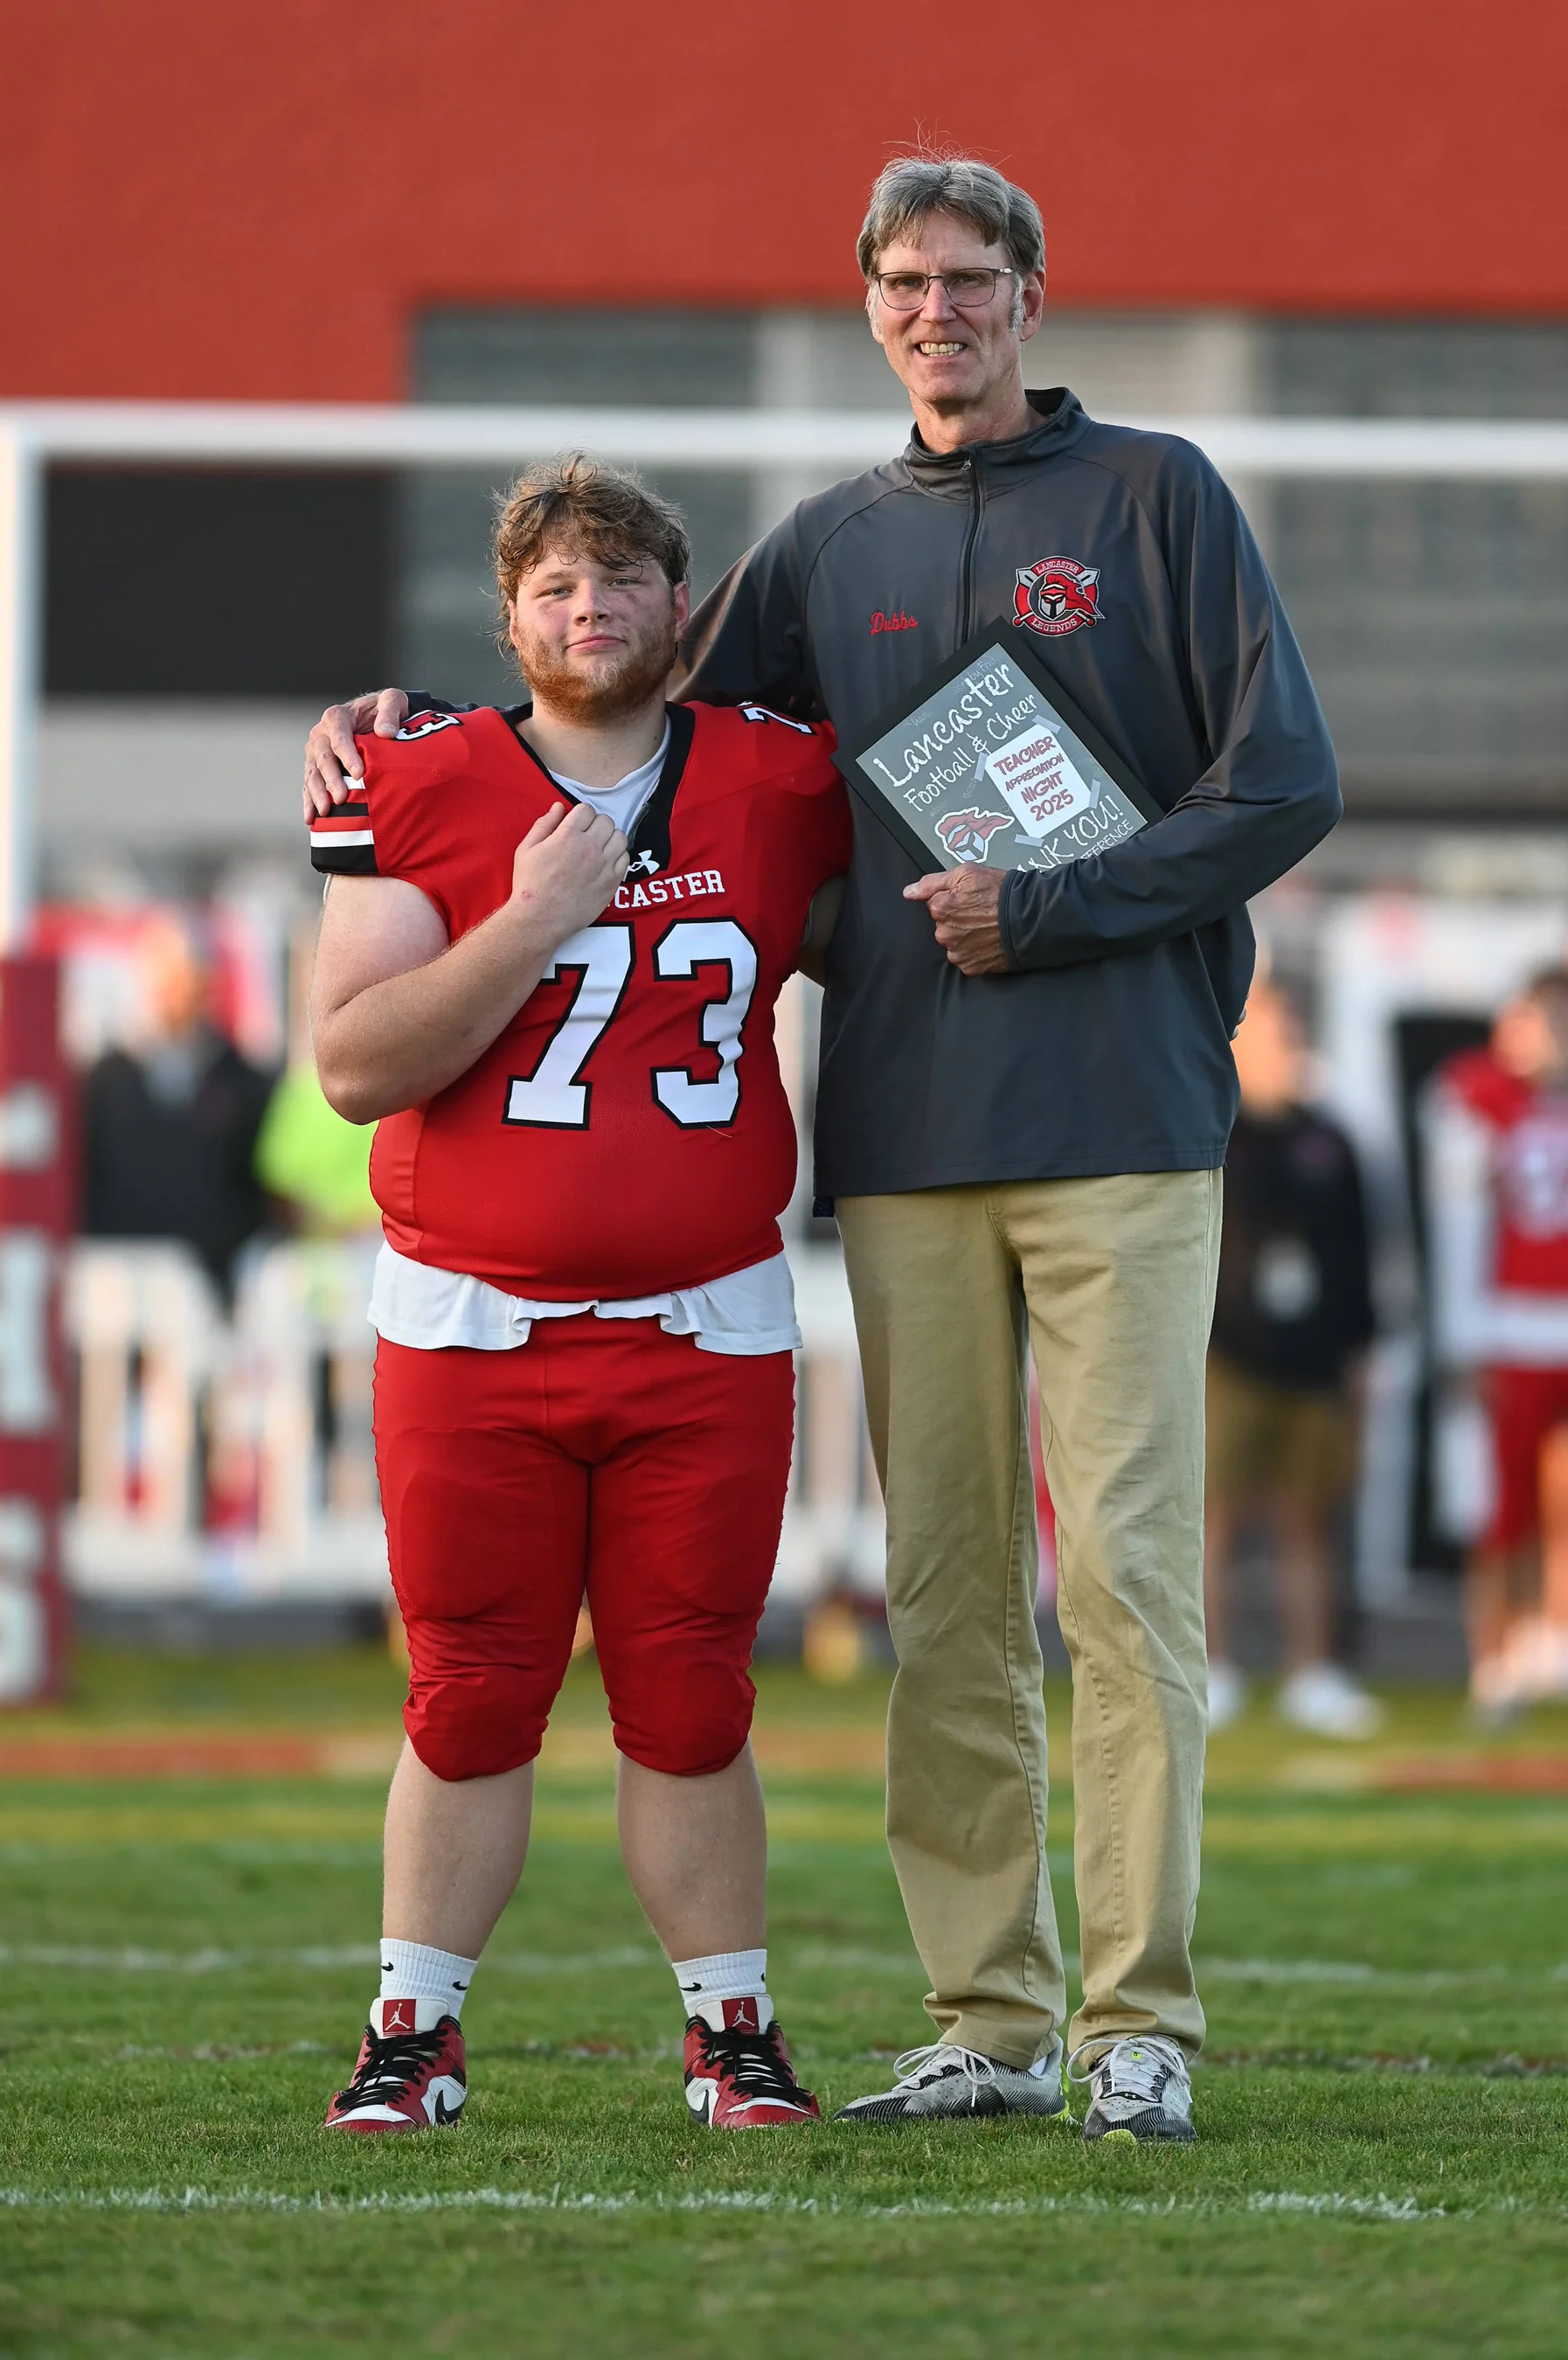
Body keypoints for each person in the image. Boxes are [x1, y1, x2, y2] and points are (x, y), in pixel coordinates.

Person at [306, 154, 1341, 2143]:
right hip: (906, 1131)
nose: (934, 308)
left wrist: (1052, 911)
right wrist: (394, 729)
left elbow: (1280, 779)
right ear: (873, 308)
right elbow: (621, 722)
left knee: (1122, 1579)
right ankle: (991, 2014)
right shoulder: (824, 540)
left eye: (967, 277)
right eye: (902, 282)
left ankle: (1140, 2017)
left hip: (1123, 1106)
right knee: (948, 1587)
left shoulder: (1158, 497)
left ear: (1028, 295)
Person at [308, 455, 849, 2134]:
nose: (587, 608)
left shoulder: (776, 779)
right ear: (507, 616)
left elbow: (913, 913)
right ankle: (411, 2030)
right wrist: (536, 919)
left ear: (681, 612)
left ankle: (734, 2034)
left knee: (692, 1694)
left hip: (704, 1319)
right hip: (474, 1319)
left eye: (620, 581)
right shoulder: (419, 777)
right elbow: (352, 1064)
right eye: (554, 585)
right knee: (471, 1688)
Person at [1203, 979, 1381, 1739]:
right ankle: (1214, 1670)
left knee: (1308, 1520)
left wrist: (1360, 1354)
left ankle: (1314, 1672)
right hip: (1229, 1357)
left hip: (1313, 1364)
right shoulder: (1213, 1133)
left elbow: (1359, 1256)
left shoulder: (1330, 1140)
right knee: (1214, 1521)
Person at [1426, 967, 1568, 1718]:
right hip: (1509, 1325)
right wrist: (1464, 1337)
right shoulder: (1477, 1098)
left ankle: (1552, 1636)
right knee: (1500, 1504)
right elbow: (1459, 1226)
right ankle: (1495, 1654)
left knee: (1561, 1496)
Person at [82, 912, 275, 1299]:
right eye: (169, 981)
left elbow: (258, 1185)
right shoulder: (104, 1081)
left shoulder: (244, 1082)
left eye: (190, 981)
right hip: (116, 1285)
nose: (180, 995)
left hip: (211, 1284)